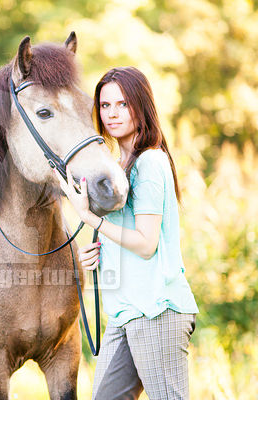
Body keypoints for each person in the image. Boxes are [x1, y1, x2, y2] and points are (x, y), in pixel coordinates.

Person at [55, 66, 199, 400]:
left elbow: (147, 244)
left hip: (156, 310)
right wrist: (101, 249)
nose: (112, 114)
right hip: (124, 313)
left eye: (122, 104)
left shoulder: (149, 162)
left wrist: (92, 220)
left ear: (141, 106)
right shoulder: (119, 167)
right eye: (105, 106)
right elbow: (129, 235)